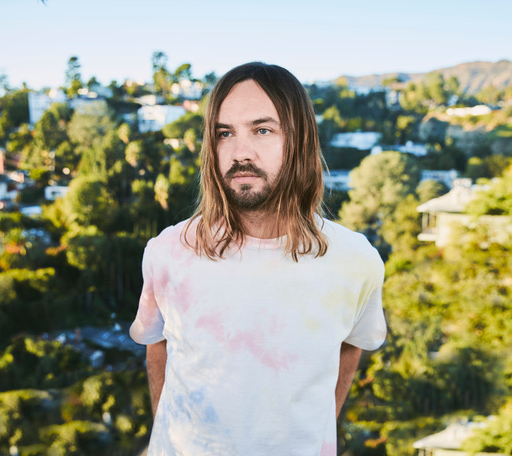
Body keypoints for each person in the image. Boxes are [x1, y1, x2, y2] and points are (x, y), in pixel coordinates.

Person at [130, 62, 386, 456]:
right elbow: (157, 345)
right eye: (225, 133)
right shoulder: (169, 252)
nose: (240, 153)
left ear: (299, 141)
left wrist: (315, 436)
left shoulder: (356, 261)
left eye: (262, 130)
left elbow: (353, 344)